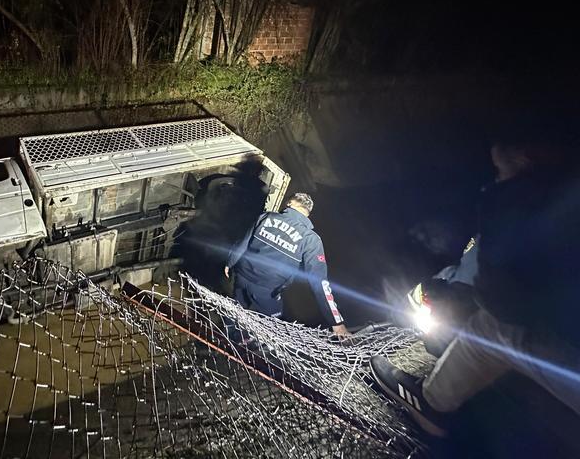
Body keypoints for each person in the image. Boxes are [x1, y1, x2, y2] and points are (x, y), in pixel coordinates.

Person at [370, 129, 580, 437]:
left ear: (526, 158)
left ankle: (432, 403)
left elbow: (503, 302)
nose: (496, 179)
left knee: (495, 328)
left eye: (500, 171)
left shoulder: (529, 208)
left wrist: (502, 199)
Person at [224, 192, 350, 337]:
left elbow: (243, 242)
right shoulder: (311, 239)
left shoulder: (266, 217)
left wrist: (230, 262)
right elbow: (319, 282)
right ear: (307, 214)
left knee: (235, 309)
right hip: (267, 291)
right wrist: (336, 321)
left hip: (241, 277)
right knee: (273, 328)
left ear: (290, 204)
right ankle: (254, 349)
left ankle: (227, 338)